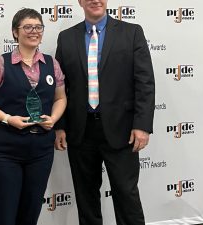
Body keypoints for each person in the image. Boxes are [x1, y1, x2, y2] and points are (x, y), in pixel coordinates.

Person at [54, 0, 155, 225]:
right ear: (80, 2)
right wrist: (60, 126)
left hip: (122, 130)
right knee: (86, 198)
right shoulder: (66, 37)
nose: (95, 0)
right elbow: (61, 88)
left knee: (126, 195)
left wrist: (142, 125)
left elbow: (145, 82)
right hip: (81, 132)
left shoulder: (132, 33)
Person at [0, 8, 66, 225]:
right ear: (15, 32)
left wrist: (54, 117)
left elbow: (60, 98)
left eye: (39, 27)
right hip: (6, 150)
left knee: (29, 215)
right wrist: (7, 118)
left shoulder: (52, 64)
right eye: (28, 27)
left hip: (41, 150)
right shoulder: (1, 63)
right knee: (3, 216)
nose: (34, 31)